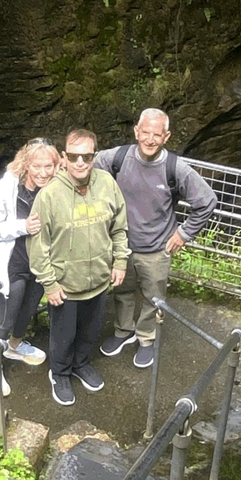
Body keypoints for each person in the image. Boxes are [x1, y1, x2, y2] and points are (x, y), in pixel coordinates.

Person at [95, 108, 217, 368]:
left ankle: (146, 338)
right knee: (122, 291)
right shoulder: (116, 158)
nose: (150, 139)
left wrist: (184, 233)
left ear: (166, 137)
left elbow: (206, 201)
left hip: (157, 247)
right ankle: (123, 331)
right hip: (122, 245)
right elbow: (83, 167)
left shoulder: (176, 168)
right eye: (145, 132)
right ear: (136, 131)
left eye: (156, 134)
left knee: (153, 296)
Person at [29, 129, 130, 406]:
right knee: (63, 336)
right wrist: (49, 283)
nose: (80, 162)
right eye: (74, 156)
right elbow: (38, 244)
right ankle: (59, 373)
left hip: (98, 279)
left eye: (87, 156)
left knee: (89, 331)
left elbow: (119, 226)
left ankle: (81, 364)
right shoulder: (49, 195)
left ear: (95, 156)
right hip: (65, 284)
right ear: (64, 157)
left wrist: (120, 261)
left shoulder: (107, 183)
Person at [0, 137, 60, 396]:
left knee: (27, 310)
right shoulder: (5, 189)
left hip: (38, 262)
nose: (43, 172)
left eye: (49, 166)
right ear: (26, 164)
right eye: (37, 166)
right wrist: (22, 226)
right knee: (5, 318)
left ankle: (15, 346)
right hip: (12, 263)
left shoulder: (55, 187)